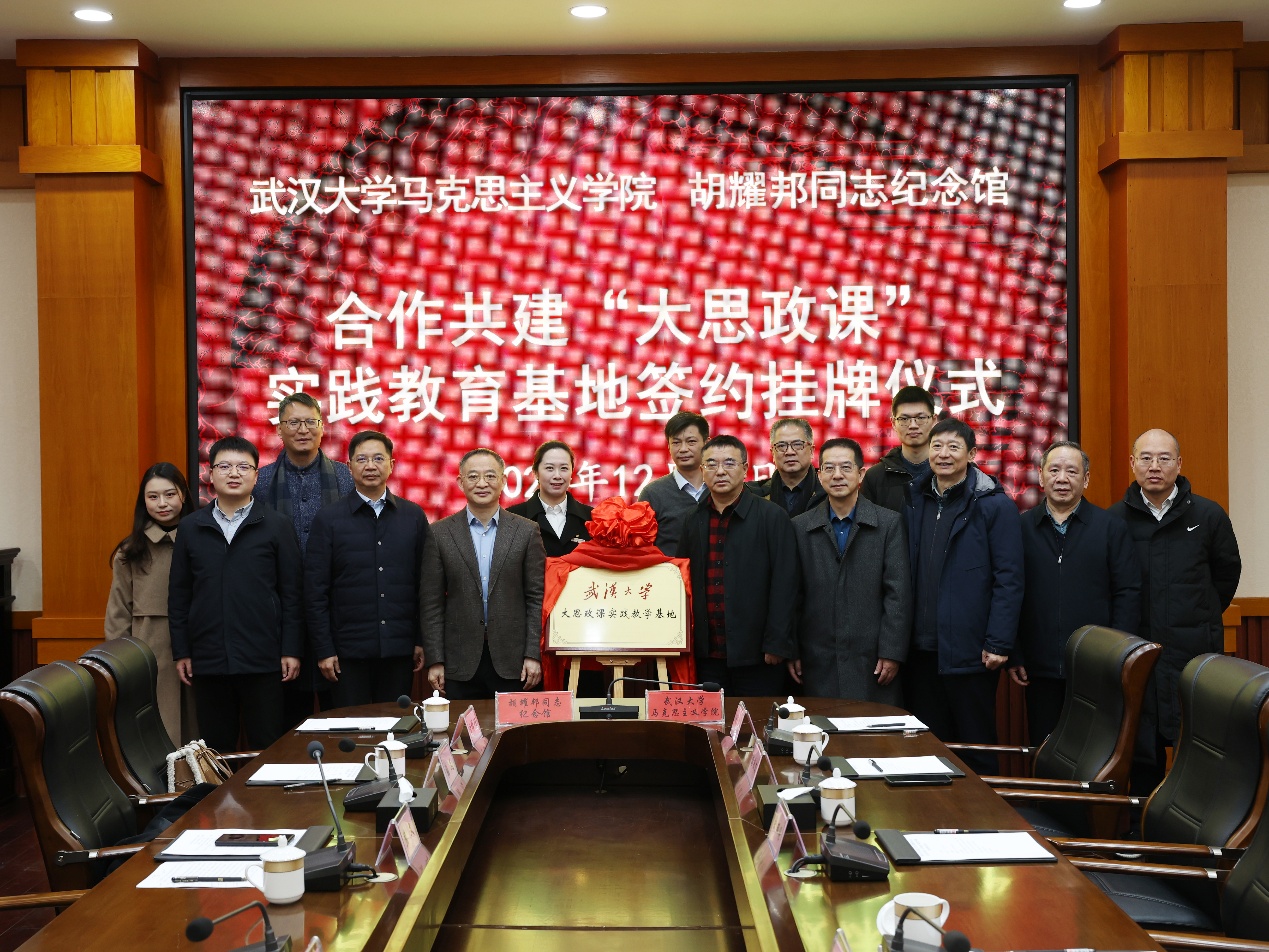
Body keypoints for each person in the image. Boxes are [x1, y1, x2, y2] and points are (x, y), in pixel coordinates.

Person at [1109, 428, 1242, 794]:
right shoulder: (1114, 520)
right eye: (1146, 458)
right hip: (1138, 649)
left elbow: (1226, 574)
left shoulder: (1208, 514)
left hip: (1194, 649)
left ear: (1179, 464)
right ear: (1132, 463)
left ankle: (1193, 823)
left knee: (1198, 743)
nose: (1155, 466)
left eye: (1164, 458)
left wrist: (1200, 613)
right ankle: (1141, 821)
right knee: (1141, 744)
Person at [168, 436, 303, 752]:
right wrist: (182, 650)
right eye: (224, 466)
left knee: (267, 746)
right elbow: (179, 595)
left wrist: (291, 649)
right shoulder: (191, 527)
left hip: (264, 657)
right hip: (208, 657)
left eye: (244, 467)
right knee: (216, 749)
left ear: (256, 475)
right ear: (210, 473)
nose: (234, 473)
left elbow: (292, 594)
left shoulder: (277, 525)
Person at [904, 418, 1023, 773]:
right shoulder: (915, 499)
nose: (943, 454)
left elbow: (1009, 578)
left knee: (975, 748)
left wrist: (999, 642)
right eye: (937, 446)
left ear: (971, 454)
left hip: (972, 651)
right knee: (927, 749)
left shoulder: (994, 505)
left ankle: (984, 809)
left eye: (953, 447)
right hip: (921, 650)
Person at [1011, 441, 1141, 746]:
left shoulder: (1111, 528)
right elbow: (1008, 592)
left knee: (1092, 749)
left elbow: (1127, 592)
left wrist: (1115, 654)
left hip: (1095, 665)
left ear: (1086, 479)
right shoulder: (1020, 527)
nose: (1062, 478)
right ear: (1041, 476)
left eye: (1072, 471)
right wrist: (1014, 651)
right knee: (1044, 747)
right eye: (1054, 470)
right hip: (1037, 665)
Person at [305, 430, 430, 707]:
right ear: (349, 467)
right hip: (346, 653)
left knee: (396, 726)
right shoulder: (328, 519)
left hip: (399, 649)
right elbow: (315, 592)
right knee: (351, 727)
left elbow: (425, 585)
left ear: (392, 465)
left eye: (378, 459)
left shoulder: (413, 516)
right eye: (361, 459)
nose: (370, 466)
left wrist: (421, 639)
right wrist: (324, 649)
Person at [253, 391, 353, 724]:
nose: (302, 429)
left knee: (341, 714)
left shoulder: (346, 478)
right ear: (279, 429)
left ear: (322, 427)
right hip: (279, 614)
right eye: (293, 422)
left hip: (337, 612)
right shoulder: (261, 482)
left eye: (310, 422)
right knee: (286, 718)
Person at [789, 438, 911, 704]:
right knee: (821, 727)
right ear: (819, 475)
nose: (837, 475)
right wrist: (792, 649)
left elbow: (898, 594)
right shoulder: (799, 527)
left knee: (872, 727)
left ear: (861, 474)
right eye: (829, 468)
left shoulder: (889, 524)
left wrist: (892, 651)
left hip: (872, 658)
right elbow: (792, 595)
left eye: (846, 467)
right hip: (817, 656)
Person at [420, 448, 546, 700]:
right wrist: (436, 659)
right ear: (460, 482)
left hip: (514, 661)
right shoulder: (439, 533)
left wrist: (533, 654)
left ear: (503, 481)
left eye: (490, 476)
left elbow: (536, 598)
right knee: (459, 726)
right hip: (458, 661)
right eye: (473, 476)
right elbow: (431, 602)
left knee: (512, 727)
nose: (482, 483)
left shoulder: (526, 531)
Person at [677, 435, 798, 695]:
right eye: (711, 464)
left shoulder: (772, 517)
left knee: (757, 718)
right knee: (711, 719)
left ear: (745, 469)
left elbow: (786, 583)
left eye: (729, 463)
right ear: (702, 470)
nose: (720, 471)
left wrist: (777, 643)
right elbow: (682, 580)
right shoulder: (692, 519)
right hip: (707, 654)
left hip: (759, 654)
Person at [104, 462, 198, 746]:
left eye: (169, 494)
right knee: (157, 731)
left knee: (198, 728)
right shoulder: (130, 551)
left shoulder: (202, 541)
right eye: (153, 496)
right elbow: (118, 613)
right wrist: (121, 663)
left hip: (197, 645)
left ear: (183, 495)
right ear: (143, 501)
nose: (162, 503)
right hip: (148, 648)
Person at [639, 411, 709, 556]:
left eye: (691, 442)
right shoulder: (652, 494)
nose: (683, 449)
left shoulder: (722, 488)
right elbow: (642, 550)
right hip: (670, 570)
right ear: (668, 446)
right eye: (676, 443)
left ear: (706, 444)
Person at [508, 440, 593, 558]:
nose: (557, 476)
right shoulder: (512, 518)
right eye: (549, 468)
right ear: (536, 472)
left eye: (564, 468)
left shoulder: (591, 518)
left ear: (572, 472)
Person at [861, 386, 936, 513]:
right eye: (904, 419)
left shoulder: (952, 471)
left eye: (921, 418)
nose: (913, 425)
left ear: (934, 420)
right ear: (893, 423)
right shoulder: (875, 477)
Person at [745, 418, 826, 518]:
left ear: (811, 451)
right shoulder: (754, 494)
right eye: (781, 446)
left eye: (797, 444)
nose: (789, 452)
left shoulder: (828, 492)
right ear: (773, 453)